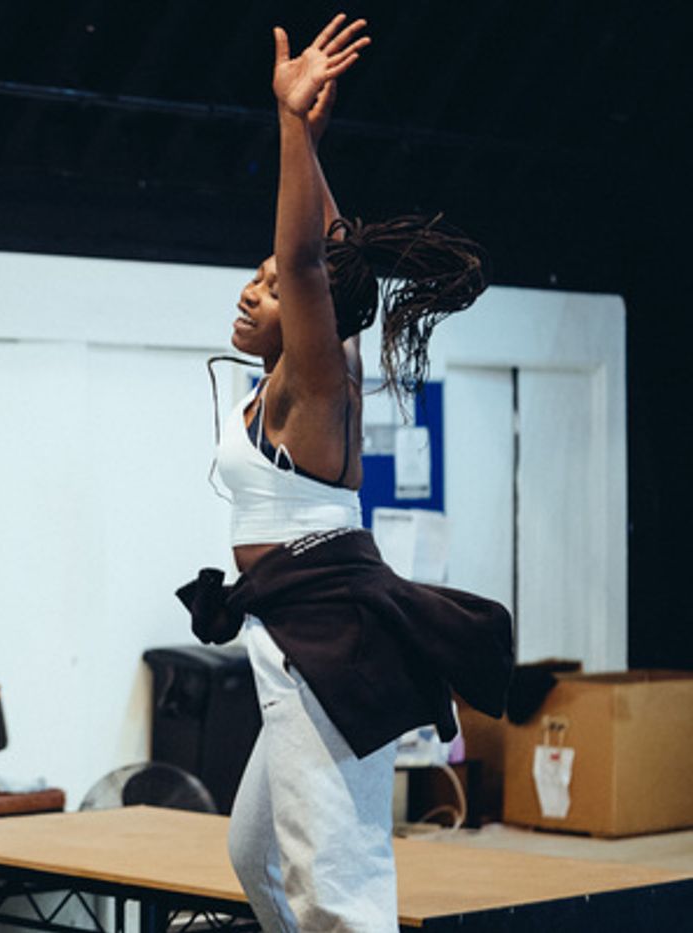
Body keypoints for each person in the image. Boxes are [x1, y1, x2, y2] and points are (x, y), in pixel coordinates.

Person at [193, 15, 512, 932]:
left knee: (338, 885)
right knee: (255, 851)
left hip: (330, 637)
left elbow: (309, 261)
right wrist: (312, 142)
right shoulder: (290, 378)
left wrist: (288, 124)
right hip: (291, 630)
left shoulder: (320, 377)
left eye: (269, 287)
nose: (253, 289)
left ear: (308, 310)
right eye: (256, 279)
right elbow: (331, 252)